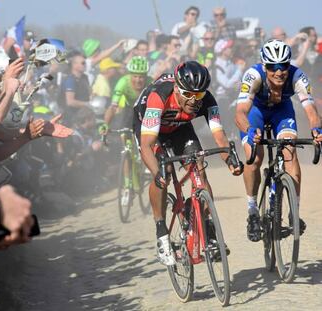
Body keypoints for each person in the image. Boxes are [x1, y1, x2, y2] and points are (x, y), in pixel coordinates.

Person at [133, 61, 242, 265]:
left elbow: (219, 137)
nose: (193, 100)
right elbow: (147, 145)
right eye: (188, 94)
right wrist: (158, 174)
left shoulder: (207, 100)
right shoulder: (159, 97)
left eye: (198, 95)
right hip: (150, 130)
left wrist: (230, 162)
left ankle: (208, 230)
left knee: (199, 167)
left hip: (179, 128)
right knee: (163, 171)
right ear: (176, 88)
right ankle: (161, 232)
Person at [234, 39, 322, 242]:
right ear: (265, 66)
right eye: (273, 67)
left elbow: (311, 111)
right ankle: (253, 210)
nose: (279, 71)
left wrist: (317, 129)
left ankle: (294, 213)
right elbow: (239, 113)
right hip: (255, 113)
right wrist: (249, 130)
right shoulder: (253, 75)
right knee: (254, 158)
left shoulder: (297, 76)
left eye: (283, 65)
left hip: (282, 112)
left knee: (290, 152)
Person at [102, 56, 152, 132]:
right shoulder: (123, 83)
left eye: (141, 77)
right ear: (130, 75)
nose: (138, 80)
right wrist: (106, 124)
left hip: (147, 110)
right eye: (135, 76)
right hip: (129, 109)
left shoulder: (151, 83)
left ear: (146, 77)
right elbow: (112, 107)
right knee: (125, 132)